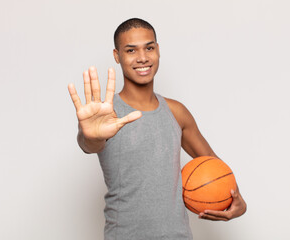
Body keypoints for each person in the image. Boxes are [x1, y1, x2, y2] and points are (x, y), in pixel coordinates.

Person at [68, 18, 246, 240]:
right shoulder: (106, 114)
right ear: (117, 56)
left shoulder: (176, 112)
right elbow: (89, 143)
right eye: (131, 50)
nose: (142, 57)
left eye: (149, 48)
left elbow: (213, 164)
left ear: (158, 50)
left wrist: (236, 200)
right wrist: (89, 136)